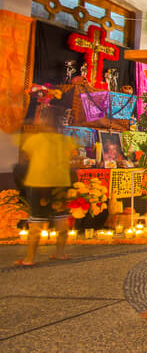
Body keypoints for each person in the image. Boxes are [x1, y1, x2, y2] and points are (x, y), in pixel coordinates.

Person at [15, 104, 75, 266]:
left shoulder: (34, 139)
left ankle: (29, 259)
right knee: (62, 222)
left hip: (39, 183)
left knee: (36, 223)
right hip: (59, 184)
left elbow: (25, 156)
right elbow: (71, 159)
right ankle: (60, 253)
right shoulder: (66, 140)